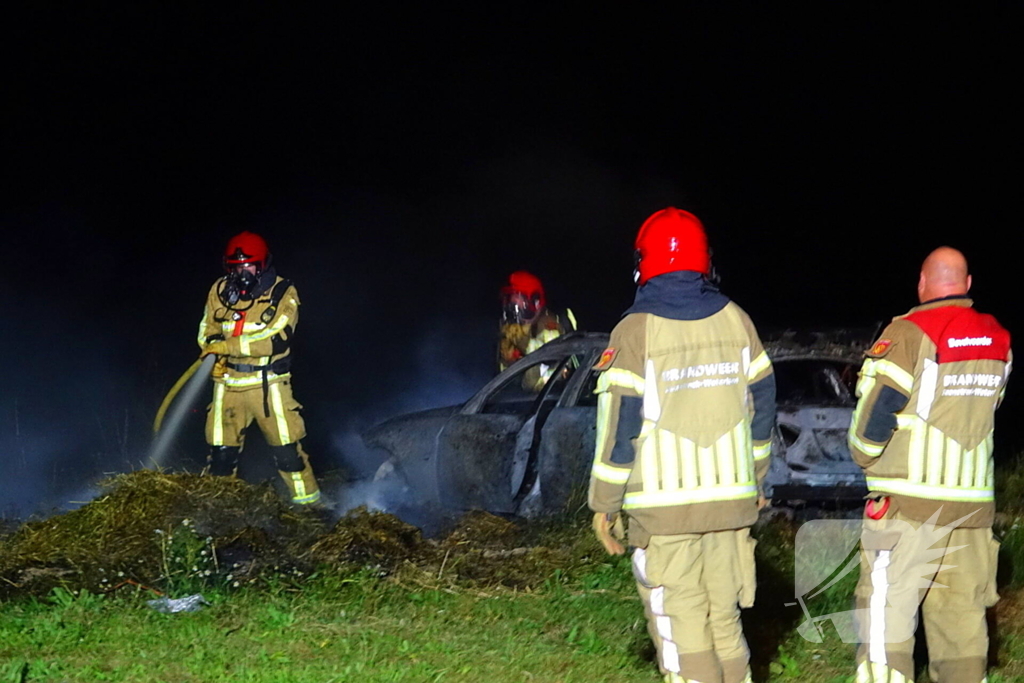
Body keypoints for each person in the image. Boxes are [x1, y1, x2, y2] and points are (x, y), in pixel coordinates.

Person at [588, 207, 775, 683]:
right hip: (731, 505)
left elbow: (619, 426)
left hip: (664, 513)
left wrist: (604, 504)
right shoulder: (738, 321)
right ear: (704, 261)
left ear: (642, 263)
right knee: (726, 624)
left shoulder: (634, 332)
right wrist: (755, 478)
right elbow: (764, 402)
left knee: (682, 629)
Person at [849, 247, 1011, 683]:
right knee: (961, 627)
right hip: (972, 510)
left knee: (887, 624)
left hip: (909, 507)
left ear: (922, 284)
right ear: (968, 284)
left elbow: (878, 410)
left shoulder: (908, 331)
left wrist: (863, 455)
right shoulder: (999, 337)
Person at [198, 231, 323, 506]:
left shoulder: (283, 293)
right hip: (228, 386)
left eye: (248, 266)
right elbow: (207, 329)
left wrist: (227, 348)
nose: (243, 273)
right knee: (220, 455)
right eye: (236, 267)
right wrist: (214, 351)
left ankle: (311, 507)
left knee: (288, 453)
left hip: (270, 387)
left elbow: (275, 339)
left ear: (262, 264)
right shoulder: (219, 291)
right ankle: (214, 513)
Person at [498, 270, 577, 376]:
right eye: (510, 304)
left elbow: (551, 360)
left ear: (535, 302)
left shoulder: (550, 327)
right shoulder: (510, 329)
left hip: (553, 390)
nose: (514, 310)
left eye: (519, 306)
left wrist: (521, 342)